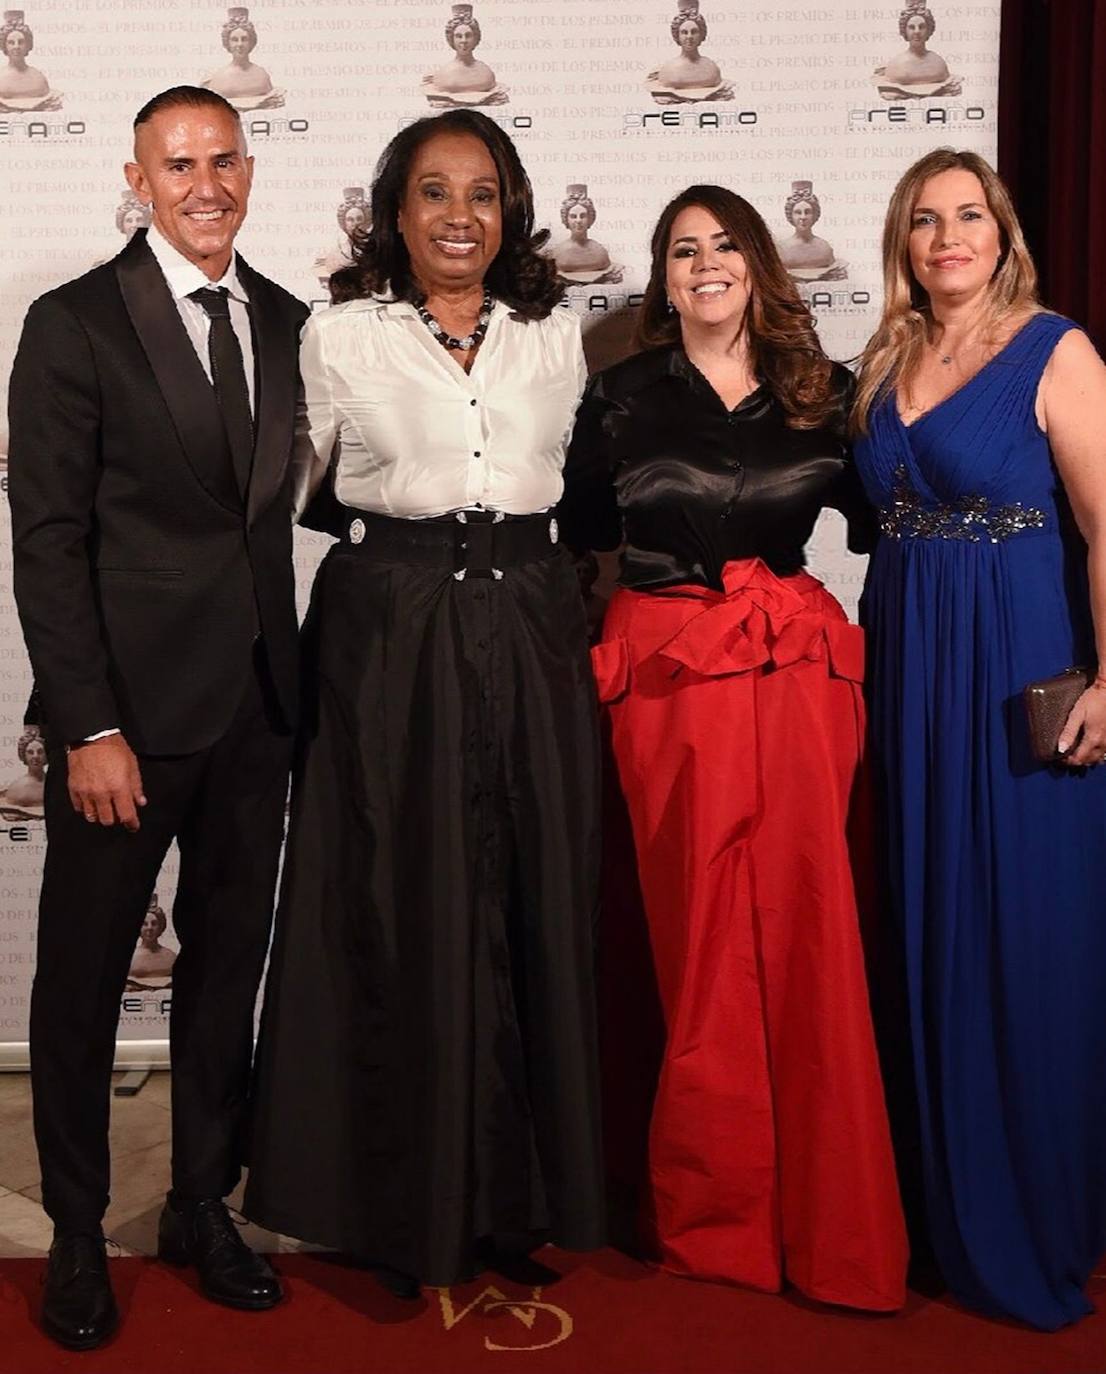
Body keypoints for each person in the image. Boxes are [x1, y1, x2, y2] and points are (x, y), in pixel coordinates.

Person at [244, 108, 605, 1293]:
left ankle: (515, 1200)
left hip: (531, 613)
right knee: (393, 892)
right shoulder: (338, 336)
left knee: (523, 897)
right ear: (393, 212)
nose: (460, 216)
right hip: (387, 622)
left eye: (484, 193)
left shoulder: (558, 338)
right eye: (435, 193)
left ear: (512, 213)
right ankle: (389, 1201)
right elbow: (290, 489)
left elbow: (588, 494)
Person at [560, 184, 908, 1310]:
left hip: (798, 680)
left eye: (722, 246)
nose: (703, 264)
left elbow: (897, 525)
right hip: (667, 685)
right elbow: (572, 543)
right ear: (661, 279)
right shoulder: (616, 399)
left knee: (813, 944)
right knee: (702, 949)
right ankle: (719, 1226)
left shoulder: (826, 395)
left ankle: (836, 1224)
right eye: (680, 251)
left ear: (758, 265)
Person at [7, 85, 307, 1349]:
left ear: (250, 168)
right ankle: (81, 1231)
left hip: (258, 711)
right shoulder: (72, 324)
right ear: (138, 178)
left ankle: (198, 1201)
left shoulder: (292, 320)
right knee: (81, 986)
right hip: (122, 726)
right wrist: (85, 726)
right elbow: (49, 540)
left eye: (222, 159)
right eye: (176, 163)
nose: (204, 183)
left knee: (226, 975)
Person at [852, 147, 1106, 1331]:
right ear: (901, 243)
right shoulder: (886, 357)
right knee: (927, 923)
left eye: (968, 216)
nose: (946, 236)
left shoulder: (1055, 350)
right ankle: (940, 1210)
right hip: (910, 671)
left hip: (1018, 671)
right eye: (922, 220)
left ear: (1001, 233)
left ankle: (1040, 1215)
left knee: (1023, 933)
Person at [422, 3, 508, 108]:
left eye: (468, 35)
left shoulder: (486, 73)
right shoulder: (444, 74)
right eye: (458, 36)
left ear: (476, 38)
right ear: (451, 40)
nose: (464, 41)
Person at [647, 0, 732, 105]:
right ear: (677, 36)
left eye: (694, 32)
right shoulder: (669, 70)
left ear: (702, 35)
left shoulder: (711, 68)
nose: (689, 37)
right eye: (684, 32)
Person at [202, 6, 284, 111]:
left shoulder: (262, 75)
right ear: (227, 43)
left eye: (244, 39)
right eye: (234, 40)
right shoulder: (219, 78)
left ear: (251, 42)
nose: (239, 44)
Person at [874, 2, 960, 98]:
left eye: (922, 27)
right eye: (911, 27)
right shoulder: (896, 65)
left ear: (929, 30)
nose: (917, 31)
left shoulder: (939, 63)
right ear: (904, 31)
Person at [548, 184, 623, 286]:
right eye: (573, 216)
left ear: (590, 219)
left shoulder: (600, 251)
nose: (578, 220)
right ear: (566, 220)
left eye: (583, 216)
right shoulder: (558, 252)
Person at [777, 181, 846, 283]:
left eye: (808, 212)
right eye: (798, 212)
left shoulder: (824, 248)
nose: (803, 217)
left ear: (815, 215)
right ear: (790, 215)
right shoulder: (782, 249)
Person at [0, 9, 61, 112]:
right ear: (4, 46)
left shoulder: (38, 79)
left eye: (21, 42)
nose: (16, 46)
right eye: (11, 42)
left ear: (28, 45)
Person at [126, 895, 177, 990]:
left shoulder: (171, 957)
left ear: (161, 926)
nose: (149, 928)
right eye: (144, 924)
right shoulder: (131, 957)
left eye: (154, 923)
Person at [0, 726, 46, 812]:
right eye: (30, 752)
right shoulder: (18, 789)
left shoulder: (56, 784)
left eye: (40, 752)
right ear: (23, 755)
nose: (35, 756)